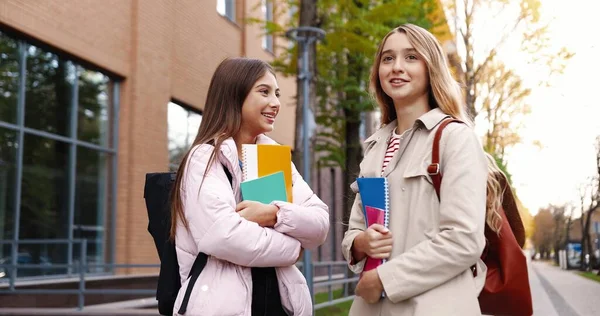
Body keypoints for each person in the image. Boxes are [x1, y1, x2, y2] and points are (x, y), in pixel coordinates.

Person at [341, 24, 488, 315]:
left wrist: (385, 279)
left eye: (411, 57)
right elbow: (356, 228)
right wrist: (360, 242)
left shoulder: (455, 138)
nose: (396, 67)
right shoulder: (374, 147)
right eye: (387, 58)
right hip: (371, 306)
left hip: (434, 306)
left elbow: (464, 239)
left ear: (430, 67)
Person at [169, 57, 330, 316]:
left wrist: (275, 214)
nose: (275, 103)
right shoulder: (204, 158)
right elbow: (225, 236)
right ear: (234, 95)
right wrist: (293, 247)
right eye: (264, 92)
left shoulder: (274, 158)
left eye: (277, 94)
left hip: (278, 303)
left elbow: (320, 224)